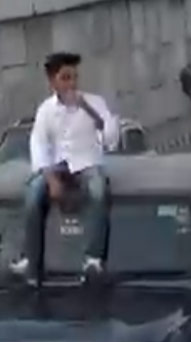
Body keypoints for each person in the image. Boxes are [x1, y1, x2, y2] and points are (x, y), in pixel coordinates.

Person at [10, 52, 120, 283]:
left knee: (98, 190)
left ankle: (93, 257)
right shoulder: (45, 111)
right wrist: (51, 180)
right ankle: (30, 259)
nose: (71, 84)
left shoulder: (94, 102)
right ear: (53, 82)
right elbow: (39, 145)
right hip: (58, 166)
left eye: (74, 78)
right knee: (32, 195)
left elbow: (111, 137)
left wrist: (88, 110)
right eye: (65, 78)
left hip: (87, 162)